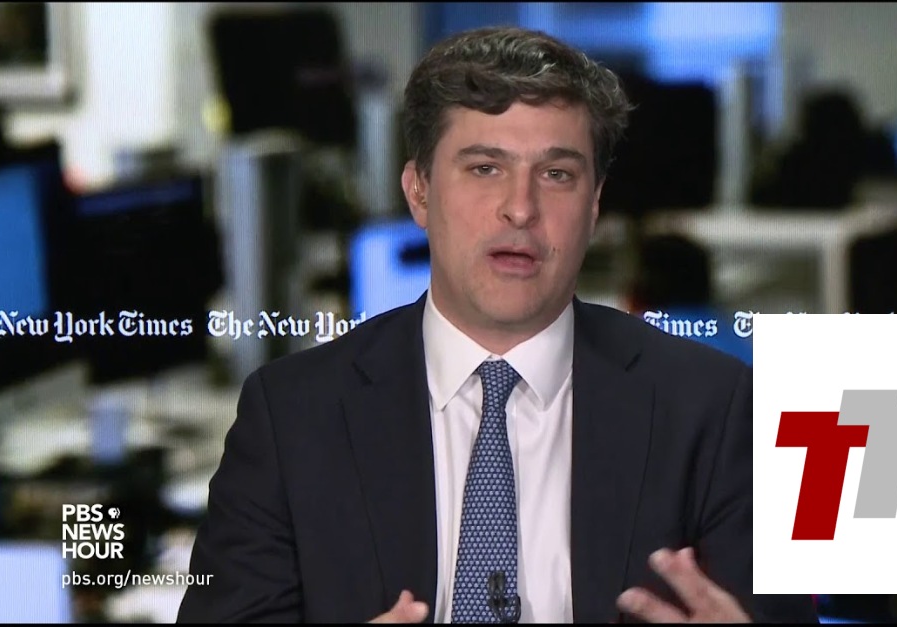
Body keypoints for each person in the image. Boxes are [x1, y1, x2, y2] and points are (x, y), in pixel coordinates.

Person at [177, 26, 818, 623]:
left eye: (557, 174)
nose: (520, 208)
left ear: (595, 205)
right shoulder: (291, 416)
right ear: (419, 191)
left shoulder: (715, 409)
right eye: (485, 168)